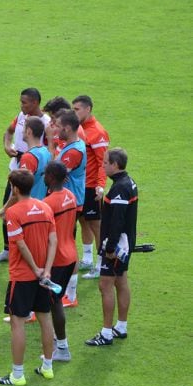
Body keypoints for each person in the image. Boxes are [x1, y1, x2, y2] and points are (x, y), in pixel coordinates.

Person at [0, 170, 57, 386]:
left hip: (22, 276)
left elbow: (20, 244)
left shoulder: (15, 213)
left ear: (15, 188)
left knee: (17, 323)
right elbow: (53, 240)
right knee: (45, 319)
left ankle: (17, 375)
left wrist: (35, 269)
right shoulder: (46, 207)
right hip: (43, 275)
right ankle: (47, 368)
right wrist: (46, 270)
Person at [0, 89, 50, 263]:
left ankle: (24, 252)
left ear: (35, 103)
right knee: (10, 206)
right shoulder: (21, 116)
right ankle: (8, 249)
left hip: (31, 169)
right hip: (17, 167)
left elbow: (51, 148)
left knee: (18, 209)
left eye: (24, 102)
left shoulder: (46, 124)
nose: (21, 105)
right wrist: (7, 146)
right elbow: (8, 132)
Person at [85, 148, 137, 347]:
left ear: (115, 165)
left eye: (106, 162)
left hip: (116, 246)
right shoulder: (127, 183)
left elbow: (116, 220)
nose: (103, 165)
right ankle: (121, 327)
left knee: (105, 285)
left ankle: (106, 333)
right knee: (121, 282)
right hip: (125, 244)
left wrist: (110, 248)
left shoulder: (119, 189)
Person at [43, 161, 79, 361]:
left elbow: (45, 236)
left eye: (45, 174)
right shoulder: (70, 196)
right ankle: (59, 343)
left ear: (51, 177)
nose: (43, 177)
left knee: (54, 303)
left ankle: (63, 348)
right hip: (70, 255)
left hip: (56, 260)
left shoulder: (48, 204)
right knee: (54, 301)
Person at [72, 95, 110, 279]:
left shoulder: (97, 132)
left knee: (96, 225)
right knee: (83, 221)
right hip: (80, 186)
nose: (74, 112)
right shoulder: (80, 129)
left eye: (77, 109)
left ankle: (101, 264)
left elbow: (103, 162)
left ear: (88, 109)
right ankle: (87, 258)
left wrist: (101, 186)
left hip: (92, 187)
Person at [54, 110, 87, 307]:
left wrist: (54, 169)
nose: (55, 129)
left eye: (58, 126)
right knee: (65, 243)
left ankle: (71, 295)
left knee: (66, 245)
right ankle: (68, 292)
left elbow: (54, 174)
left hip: (69, 205)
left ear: (66, 128)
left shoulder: (73, 151)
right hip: (69, 202)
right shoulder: (71, 146)